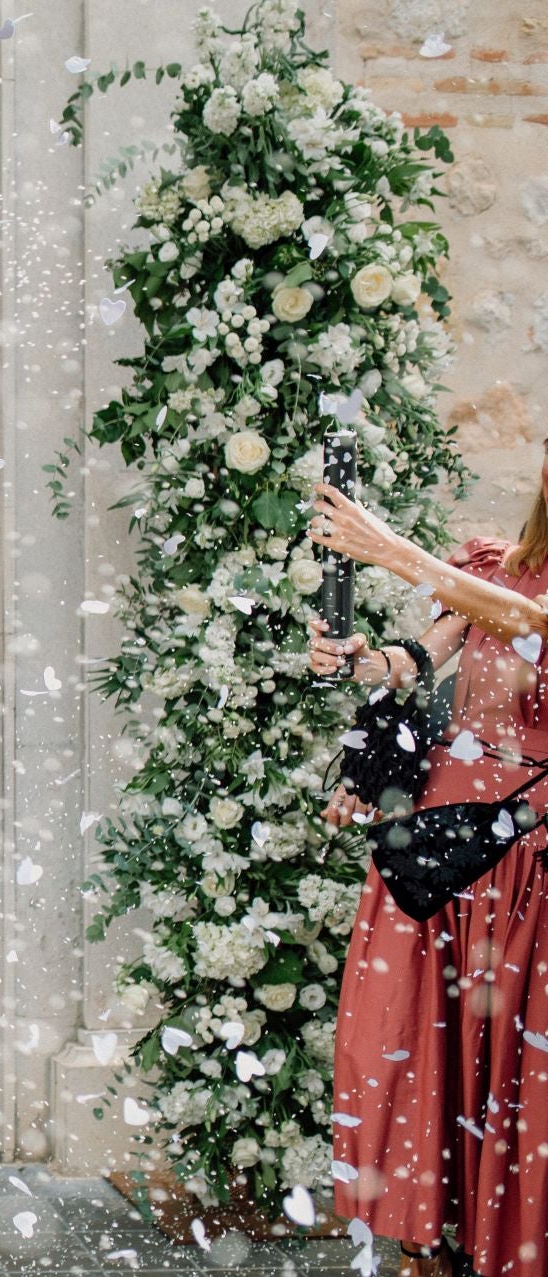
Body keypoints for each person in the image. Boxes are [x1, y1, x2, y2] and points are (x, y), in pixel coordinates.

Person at [307, 459, 548, 1277]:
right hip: (444, 853)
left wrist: (391, 549)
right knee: (411, 1043)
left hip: (530, 861)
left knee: (513, 1068)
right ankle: (428, 1246)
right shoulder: (492, 565)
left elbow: (526, 619)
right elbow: (423, 655)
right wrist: (359, 660)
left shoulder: (506, 592)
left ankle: (501, 1248)